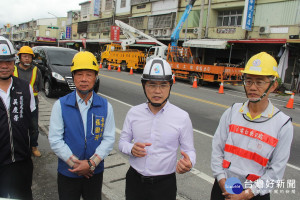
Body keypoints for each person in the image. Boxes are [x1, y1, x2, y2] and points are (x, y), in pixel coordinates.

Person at [210, 52, 294, 200]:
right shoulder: (232, 112)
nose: (252, 87)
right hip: (223, 188)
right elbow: (217, 150)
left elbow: (276, 171)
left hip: (255, 194)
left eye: (259, 82)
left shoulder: (282, 125)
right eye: (248, 81)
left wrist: (247, 194)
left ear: (273, 85)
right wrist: (223, 183)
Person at [119, 58, 196, 200]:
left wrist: (189, 162)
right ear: (144, 86)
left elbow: (190, 150)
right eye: (152, 85)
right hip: (135, 181)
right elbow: (123, 142)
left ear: (170, 86)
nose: (157, 91)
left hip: (164, 185)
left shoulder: (182, 117)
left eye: (163, 85)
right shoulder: (133, 113)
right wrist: (131, 149)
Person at [48, 51, 115, 200]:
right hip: (68, 172)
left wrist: (91, 164)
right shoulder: (61, 105)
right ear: (73, 77)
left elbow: (109, 139)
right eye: (79, 74)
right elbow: (55, 139)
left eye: (89, 74)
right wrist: (77, 165)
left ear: (95, 77)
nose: (84, 79)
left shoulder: (105, 106)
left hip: (94, 173)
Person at [0, 36, 36, 199]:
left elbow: (32, 123)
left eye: (8, 61)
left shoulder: (25, 87)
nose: (4, 66)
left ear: (14, 61)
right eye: (0, 62)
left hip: (22, 162)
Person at [13, 45, 43, 157]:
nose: (27, 59)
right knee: (16, 125)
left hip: (32, 102)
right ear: (20, 57)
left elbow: (39, 87)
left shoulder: (36, 70)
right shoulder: (13, 69)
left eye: (29, 57)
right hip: (16, 101)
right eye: (24, 56)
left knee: (34, 126)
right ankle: (17, 146)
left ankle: (33, 146)